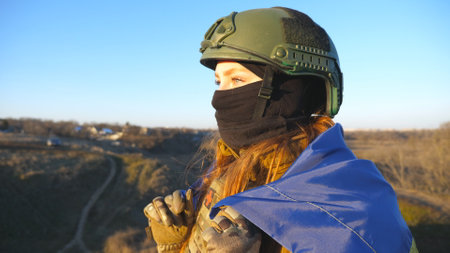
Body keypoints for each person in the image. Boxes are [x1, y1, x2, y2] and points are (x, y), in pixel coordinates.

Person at [143, 7, 418, 253]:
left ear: (294, 89)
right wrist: (172, 244)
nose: (220, 97)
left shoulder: (349, 221)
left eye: (237, 79)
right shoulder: (228, 168)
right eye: (218, 82)